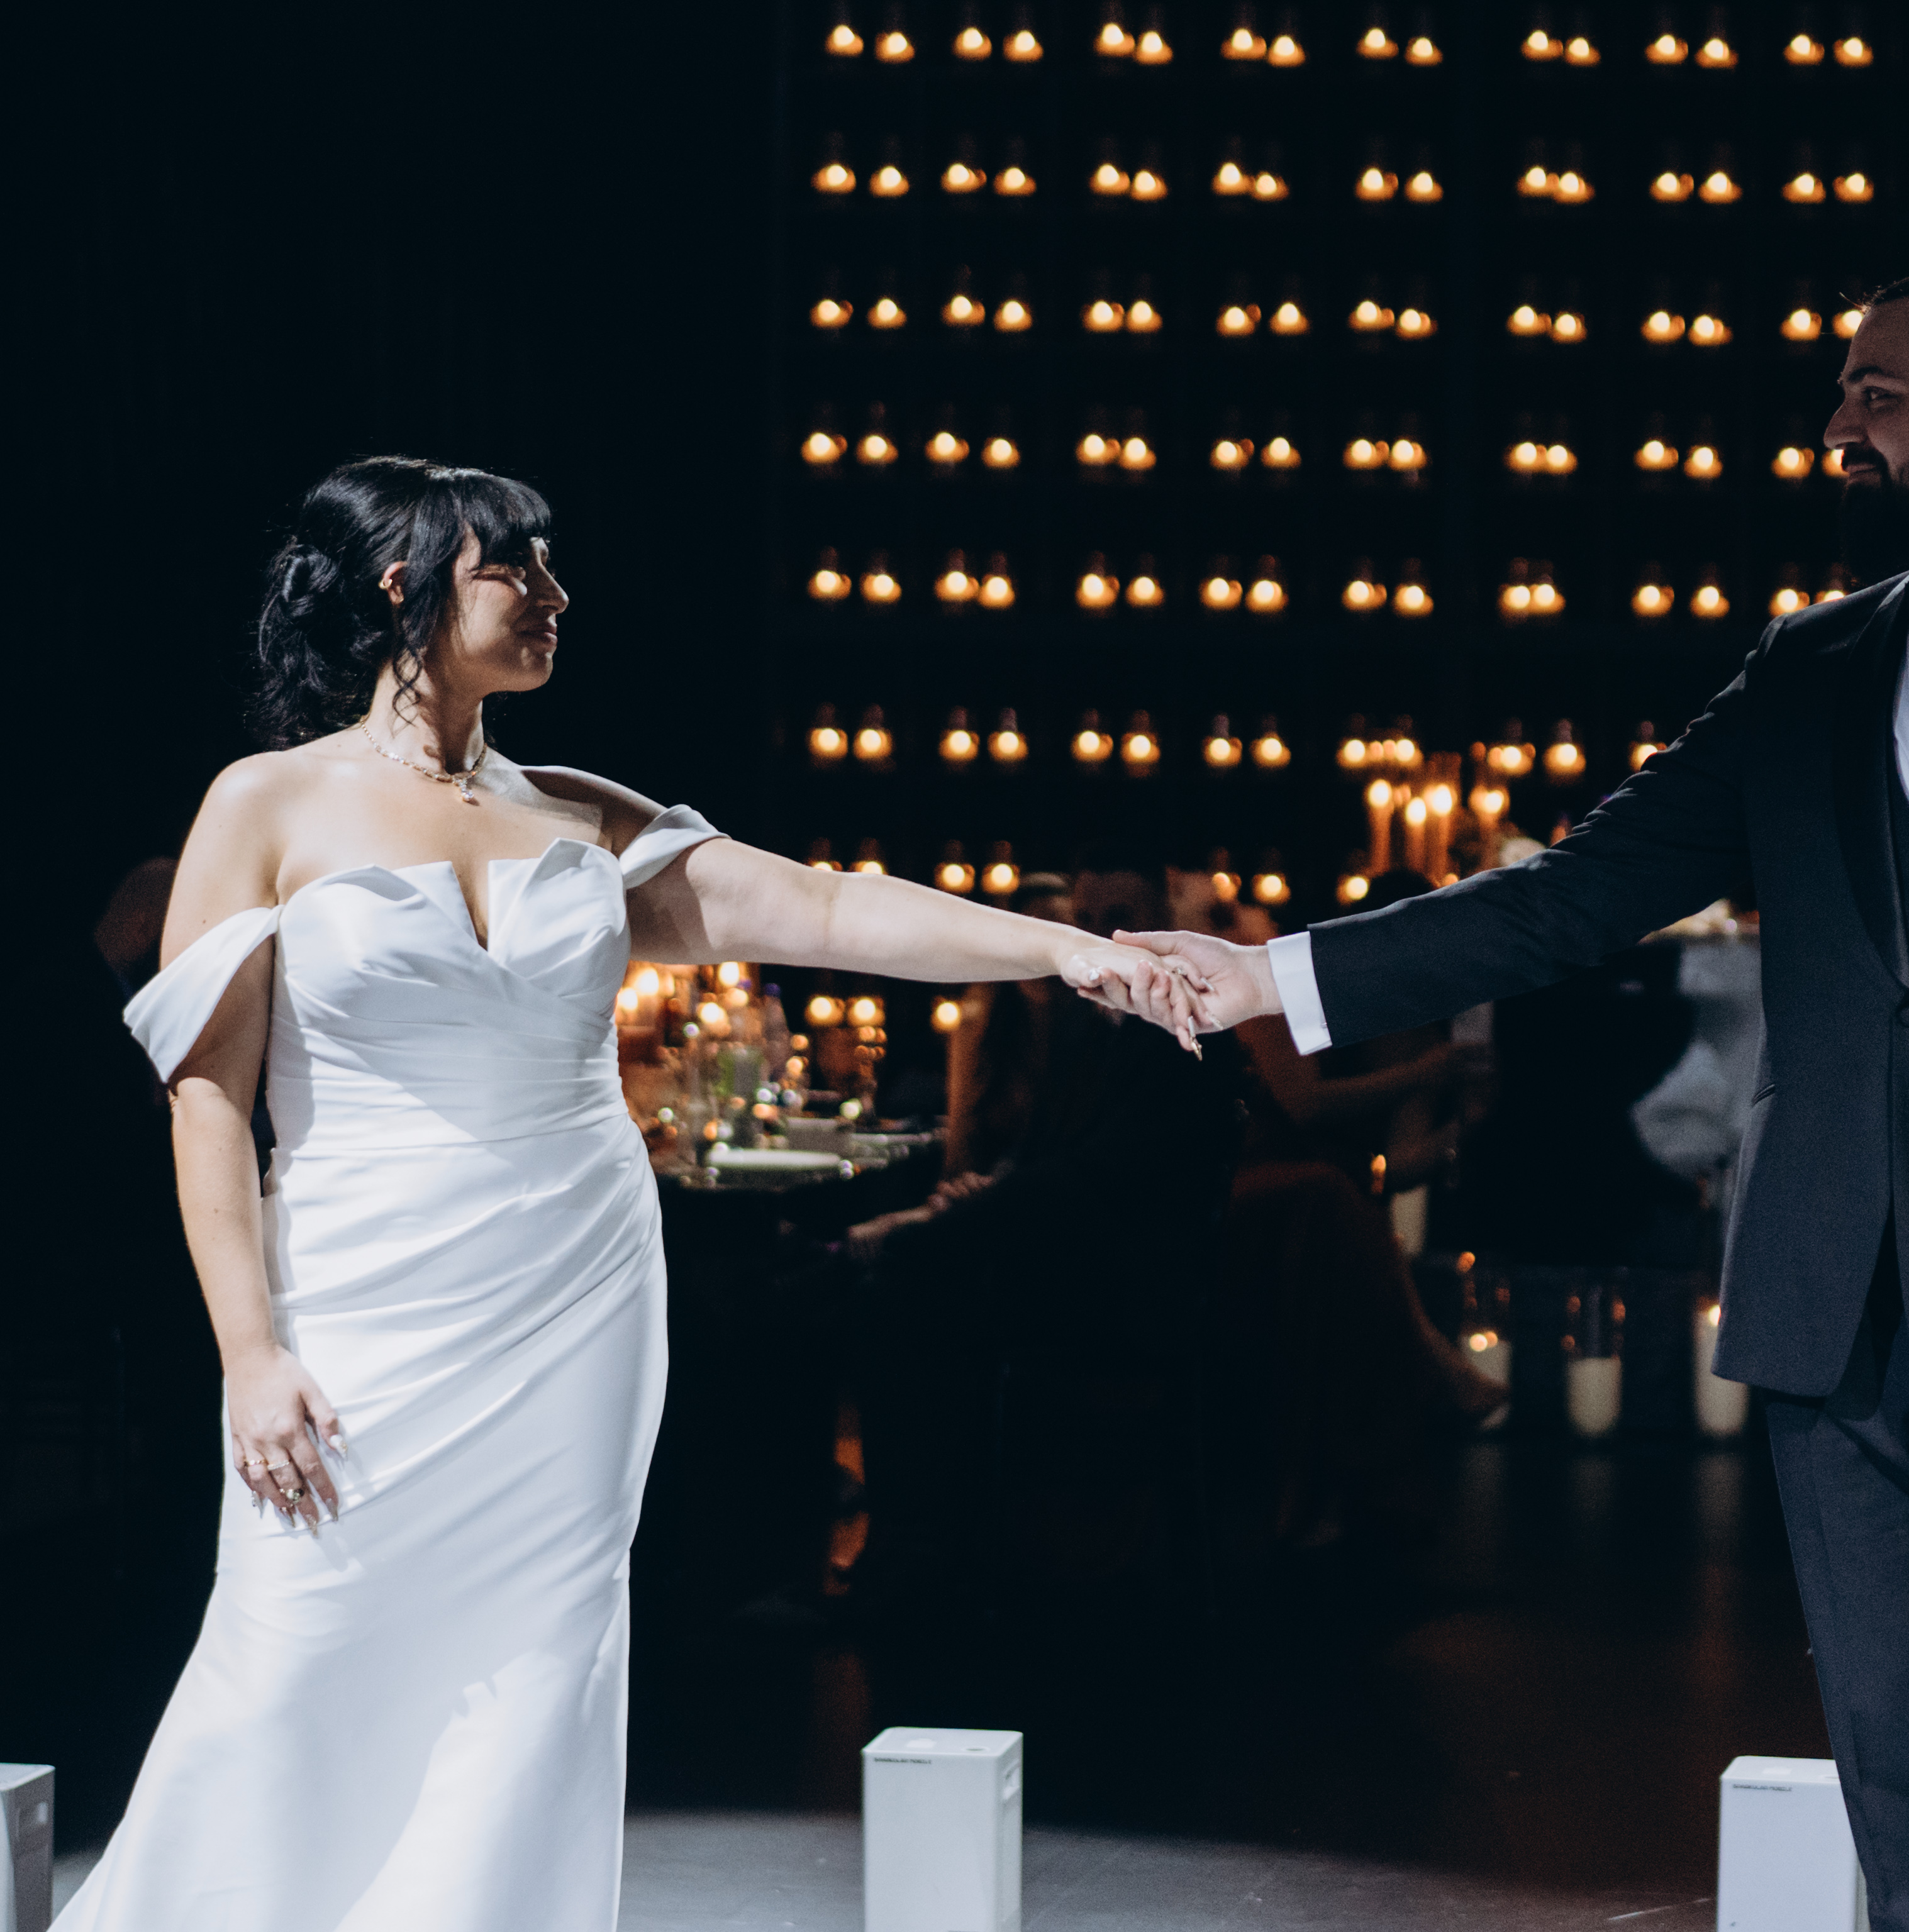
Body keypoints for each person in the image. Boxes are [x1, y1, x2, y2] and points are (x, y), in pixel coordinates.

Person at [1128, 269, 1909, 1932]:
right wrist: (1271, 977)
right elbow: (1572, 897)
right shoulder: (1809, 664)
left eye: (1876, 392)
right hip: (1830, 1319)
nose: (1837, 423)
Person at [65, 456, 1205, 1932]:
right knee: (294, 1641)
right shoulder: (265, 805)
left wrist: (1068, 952)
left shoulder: (581, 818)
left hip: (577, 1293)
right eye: (514, 563)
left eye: (552, 560)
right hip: (358, 1293)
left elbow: (830, 906)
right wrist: (250, 1351)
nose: (555, 591)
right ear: (404, 587)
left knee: (541, 1664)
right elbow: (209, 1102)